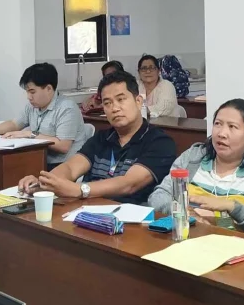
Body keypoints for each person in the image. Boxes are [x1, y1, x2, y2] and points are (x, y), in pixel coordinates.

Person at [17, 70, 176, 206]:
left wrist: (80, 190)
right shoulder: (102, 138)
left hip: (132, 223)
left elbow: (129, 184)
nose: (114, 108)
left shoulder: (159, 142)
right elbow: (71, 168)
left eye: (121, 99)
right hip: (88, 213)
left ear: (138, 101)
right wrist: (45, 183)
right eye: (107, 103)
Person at [149, 99, 244, 239]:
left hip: (237, 251)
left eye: (232, 127)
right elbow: (158, 198)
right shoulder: (193, 157)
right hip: (189, 243)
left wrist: (232, 207)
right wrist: (189, 214)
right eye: (218, 124)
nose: (222, 133)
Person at [0, 62, 90, 170]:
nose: (29, 97)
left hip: (65, 166)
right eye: (27, 92)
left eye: (32, 92)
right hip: (40, 160)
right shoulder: (32, 106)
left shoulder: (66, 108)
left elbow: (63, 145)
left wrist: (30, 134)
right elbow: (14, 124)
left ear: (48, 89)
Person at [138, 54, 178, 118]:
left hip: (167, 124)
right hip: (142, 123)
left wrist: (140, 110)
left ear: (158, 71)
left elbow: (164, 108)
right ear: (139, 72)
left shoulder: (167, 86)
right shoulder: (136, 85)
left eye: (152, 68)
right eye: (144, 68)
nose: (148, 71)